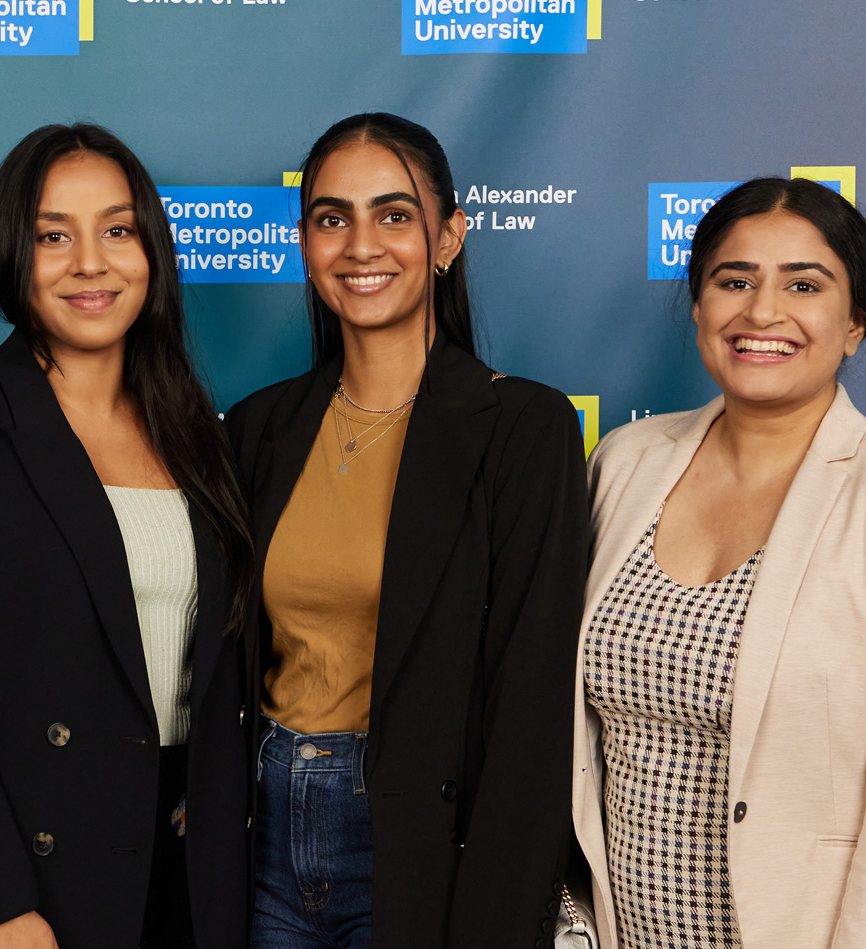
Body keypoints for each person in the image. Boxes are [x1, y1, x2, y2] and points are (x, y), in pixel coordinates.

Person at [570, 177, 866, 949]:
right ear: (699, 308)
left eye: (804, 284)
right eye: (735, 281)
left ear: (854, 322)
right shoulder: (625, 462)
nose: (762, 312)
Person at [0, 124, 252, 949]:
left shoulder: (201, 437)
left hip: (178, 870)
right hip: (15, 881)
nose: (90, 262)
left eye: (117, 229)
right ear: (12, 252)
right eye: (52, 235)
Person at [222, 112, 589, 949]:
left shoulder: (522, 427)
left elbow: (532, 706)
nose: (361, 245)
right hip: (264, 841)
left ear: (449, 237)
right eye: (331, 218)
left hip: (420, 846)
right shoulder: (257, 428)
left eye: (393, 214)